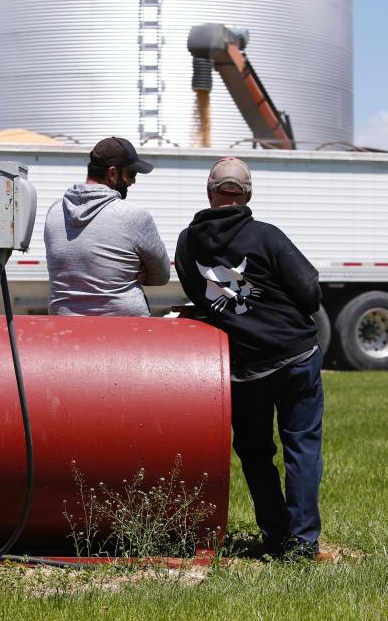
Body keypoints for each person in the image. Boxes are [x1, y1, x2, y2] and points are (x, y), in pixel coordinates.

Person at [174, 156, 327, 561]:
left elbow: (200, 296)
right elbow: (310, 293)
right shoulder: (266, 236)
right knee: (302, 449)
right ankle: (302, 544)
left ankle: (275, 537)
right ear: (247, 195)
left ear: (209, 193)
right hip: (295, 355)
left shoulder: (188, 243)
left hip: (242, 368)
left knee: (256, 453)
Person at [44, 136, 170, 316]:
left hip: (65, 327)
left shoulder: (55, 212)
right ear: (112, 173)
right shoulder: (135, 216)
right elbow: (162, 275)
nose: (133, 181)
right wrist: (137, 271)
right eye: (131, 174)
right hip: (126, 332)